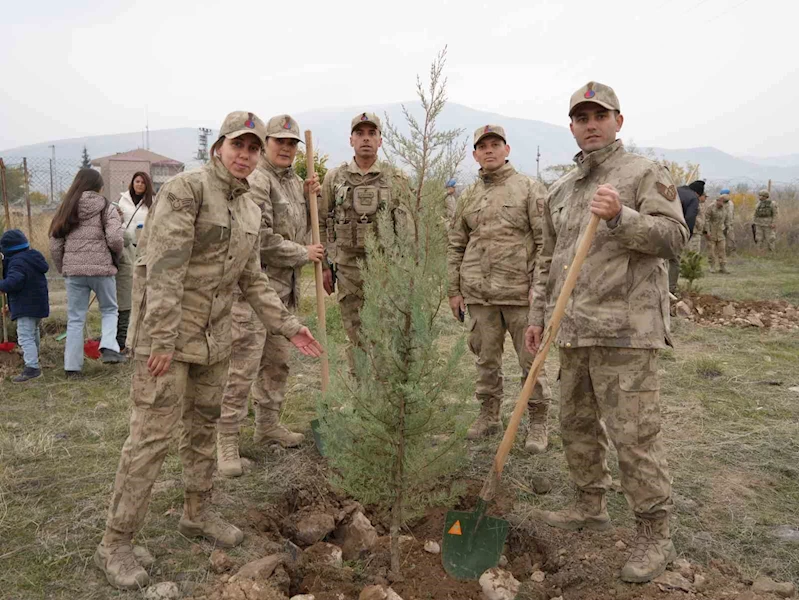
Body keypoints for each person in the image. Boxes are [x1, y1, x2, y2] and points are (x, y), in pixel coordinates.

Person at [95, 112, 323, 591]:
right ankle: (115, 542)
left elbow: (252, 278)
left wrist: (288, 325)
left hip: (215, 341)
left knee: (203, 430)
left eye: (253, 148)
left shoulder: (248, 208)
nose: (245, 155)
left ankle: (197, 514)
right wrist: (159, 340)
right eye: (237, 145)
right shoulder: (186, 190)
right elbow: (161, 269)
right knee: (151, 439)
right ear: (220, 145)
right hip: (169, 341)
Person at [525, 81, 688, 583]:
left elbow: (673, 238)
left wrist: (622, 216)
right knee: (576, 424)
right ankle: (589, 505)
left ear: (619, 120)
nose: (590, 124)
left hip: (625, 331)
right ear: (572, 127)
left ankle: (653, 532)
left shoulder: (643, 173)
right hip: (571, 329)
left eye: (600, 115)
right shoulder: (562, 188)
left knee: (634, 435)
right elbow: (547, 260)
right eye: (581, 117)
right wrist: (537, 315)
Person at [217, 114, 324, 476]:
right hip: (252, 294)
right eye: (280, 141)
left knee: (277, 364)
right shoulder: (257, 181)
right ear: (267, 144)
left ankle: (267, 425)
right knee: (242, 370)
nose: (287, 148)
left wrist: (312, 199)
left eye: (292, 143)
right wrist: (302, 253)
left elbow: (304, 227)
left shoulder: (294, 183)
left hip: (285, 293)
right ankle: (227, 441)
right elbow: (259, 239)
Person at [447, 124, 551, 452]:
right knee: (485, 360)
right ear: (475, 154)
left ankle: (536, 421)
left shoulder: (529, 189)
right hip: (480, 296)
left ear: (507, 149)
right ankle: (488, 415)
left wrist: (541, 288)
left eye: (495, 144)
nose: (489, 150)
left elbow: (545, 242)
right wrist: (454, 289)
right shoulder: (469, 196)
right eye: (482, 146)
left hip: (521, 295)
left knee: (530, 362)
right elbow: (456, 244)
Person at [319, 112, 406, 376]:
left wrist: (405, 270)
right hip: (348, 270)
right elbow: (322, 222)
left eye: (371, 134)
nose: (365, 139)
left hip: (385, 271)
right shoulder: (335, 178)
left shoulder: (396, 178)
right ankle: (360, 396)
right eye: (360, 134)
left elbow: (406, 227)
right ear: (351, 140)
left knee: (384, 332)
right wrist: (325, 265)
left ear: (380, 141)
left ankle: (382, 393)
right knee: (355, 335)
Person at [49, 168, 127, 374]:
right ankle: (109, 347)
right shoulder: (106, 207)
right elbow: (116, 239)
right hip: (102, 270)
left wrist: (64, 268)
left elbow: (55, 245)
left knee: (75, 319)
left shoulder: (65, 209)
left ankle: (72, 368)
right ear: (98, 187)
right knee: (109, 310)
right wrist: (115, 257)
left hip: (74, 272)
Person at [0, 229, 49, 382]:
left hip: (25, 306)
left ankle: (32, 368)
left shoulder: (17, 262)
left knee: (25, 337)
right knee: (33, 332)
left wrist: (2, 285)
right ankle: (34, 358)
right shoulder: (32, 257)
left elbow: (14, 282)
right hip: (37, 304)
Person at [115, 172, 153, 351]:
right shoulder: (122, 200)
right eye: (137, 181)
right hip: (126, 245)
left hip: (144, 244)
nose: (139, 185)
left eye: (143, 182)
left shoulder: (152, 202)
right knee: (127, 286)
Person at [667, 181, 700, 293]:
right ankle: (670, 288)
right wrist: (686, 236)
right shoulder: (694, 198)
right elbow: (690, 218)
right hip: (675, 230)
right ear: (698, 193)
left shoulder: (674, 190)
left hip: (658, 225)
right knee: (674, 260)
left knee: (657, 259)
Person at [704, 194, 731, 273]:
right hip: (712, 231)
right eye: (724, 201)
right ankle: (712, 266)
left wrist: (728, 228)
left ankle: (723, 266)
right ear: (719, 200)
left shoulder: (725, 208)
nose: (724, 204)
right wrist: (707, 231)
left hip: (721, 232)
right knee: (711, 250)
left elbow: (727, 219)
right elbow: (707, 220)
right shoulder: (711, 207)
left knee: (722, 250)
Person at [685, 180, 707, 254]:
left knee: (695, 251)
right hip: (694, 231)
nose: (705, 198)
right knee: (693, 252)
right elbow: (692, 216)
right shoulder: (694, 203)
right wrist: (699, 225)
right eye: (705, 197)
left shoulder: (702, 205)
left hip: (698, 231)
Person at [720, 188, 736, 253]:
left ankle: (731, 252)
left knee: (731, 238)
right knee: (721, 239)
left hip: (729, 224)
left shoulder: (731, 203)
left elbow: (732, 214)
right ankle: (721, 251)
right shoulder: (719, 203)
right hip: (721, 224)